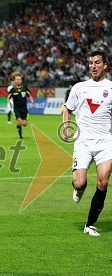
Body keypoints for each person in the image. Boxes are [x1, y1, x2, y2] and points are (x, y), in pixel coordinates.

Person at [62, 50, 111, 237]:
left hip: (105, 142)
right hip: (83, 142)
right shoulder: (79, 87)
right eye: (91, 63)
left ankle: (90, 224)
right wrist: (66, 127)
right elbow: (67, 108)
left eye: (97, 62)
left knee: (103, 182)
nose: (93, 66)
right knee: (80, 182)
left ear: (105, 65)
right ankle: (78, 188)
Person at [7, 74, 35, 139]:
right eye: (17, 79)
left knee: (24, 124)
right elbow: (8, 97)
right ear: (15, 81)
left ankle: (20, 124)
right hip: (16, 108)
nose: (18, 81)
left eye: (19, 79)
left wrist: (32, 102)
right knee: (19, 122)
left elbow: (29, 96)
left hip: (24, 108)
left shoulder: (25, 88)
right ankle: (20, 136)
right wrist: (10, 103)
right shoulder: (12, 90)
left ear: (21, 80)